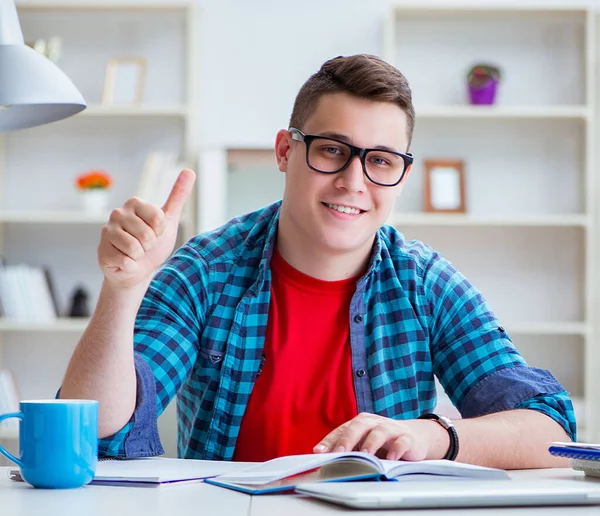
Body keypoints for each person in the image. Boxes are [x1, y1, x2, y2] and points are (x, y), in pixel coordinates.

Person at [60, 54, 574, 468]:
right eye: (332, 150)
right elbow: (94, 429)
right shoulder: (204, 271)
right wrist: (122, 289)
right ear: (285, 151)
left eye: (380, 160)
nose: (354, 181)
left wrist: (431, 435)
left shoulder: (426, 283)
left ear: (400, 173)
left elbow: (548, 434)